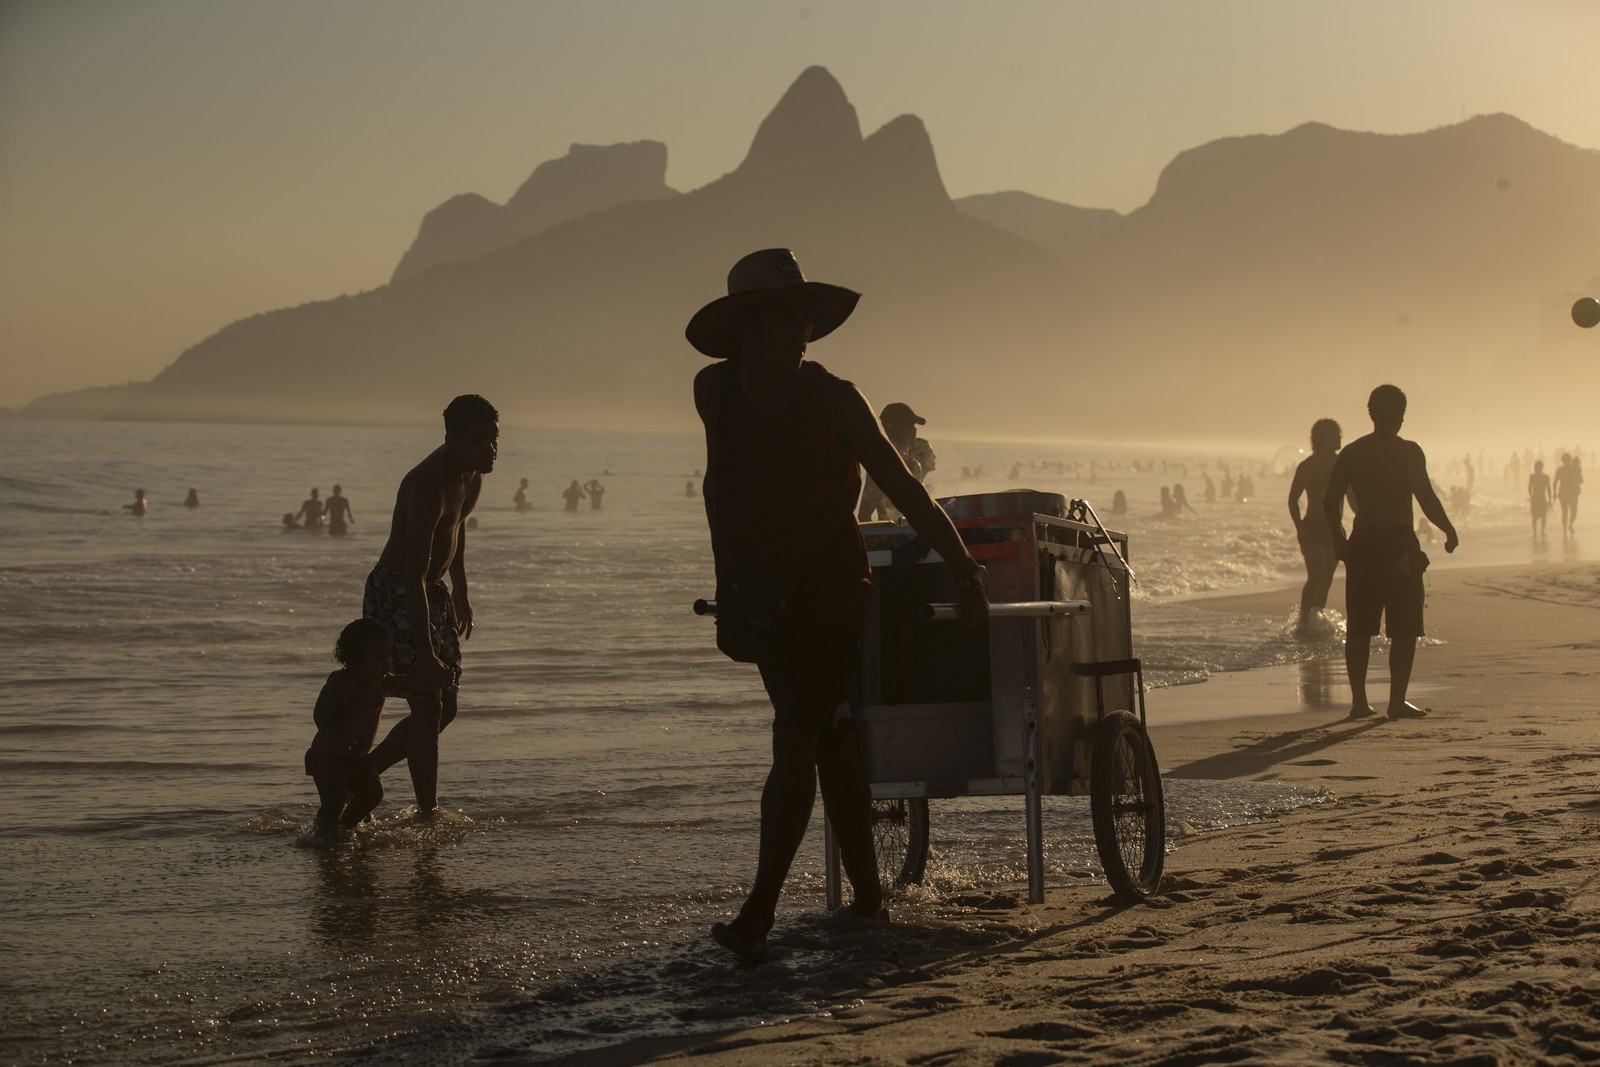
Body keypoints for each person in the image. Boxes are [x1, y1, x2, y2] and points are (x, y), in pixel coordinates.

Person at [687, 248, 990, 966]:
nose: (801, 330)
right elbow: (717, 486)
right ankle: (869, 895)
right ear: (747, 324)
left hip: (829, 594)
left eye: (805, 317)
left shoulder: (836, 398)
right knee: (827, 740)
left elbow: (904, 487)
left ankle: (757, 915)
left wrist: (965, 566)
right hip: (760, 598)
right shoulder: (714, 392)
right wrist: (727, 580)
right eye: (784, 316)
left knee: (795, 733)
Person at [363, 394, 498, 816]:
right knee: (428, 702)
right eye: (478, 441)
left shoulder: (473, 475)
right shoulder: (426, 484)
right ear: (450, 440)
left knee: (446, 706)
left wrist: (461, 590)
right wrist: (423, 653)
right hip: (399, 591)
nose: (489, 450)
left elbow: (455, 531)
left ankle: (365, 771)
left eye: (494, 439)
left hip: (432, 590)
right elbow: (412, 574)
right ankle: (428, 812)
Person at [1323, 385, 1458, 721]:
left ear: (1371, 413)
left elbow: (1330, 501)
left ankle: (1359, 703)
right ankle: (1396, 701)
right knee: (1404, 625)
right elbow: (1425, 496)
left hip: (1363, 543)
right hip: (1398, 544)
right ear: (1401, 415)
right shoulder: (1409, 451)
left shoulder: (1351, 453)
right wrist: (1448, 529)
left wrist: (1339, 540)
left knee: (1359, 626)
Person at [304, 618, 424, 834]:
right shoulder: (339, 685)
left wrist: (432, 679)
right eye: (378, 658)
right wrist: (336, 737)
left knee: (373, 794)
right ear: (354, 659)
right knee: (333, 804)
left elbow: (406, 682)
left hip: (358, 758)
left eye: (388, 655)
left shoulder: (381, 681)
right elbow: (320, 714)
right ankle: (321, 835)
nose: (386, 663)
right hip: (330, 756)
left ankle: (344, 828)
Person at [1288, 418, 1345, 629]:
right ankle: (1304, 621)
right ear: (1321, 438)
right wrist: (1300, 529)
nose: (1339, 437)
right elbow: (1293, 500)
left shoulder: (1343, 464)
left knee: (1327, 579)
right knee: (1315, 576)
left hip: (1335, 530)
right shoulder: (1307, 466)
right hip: (1312, 526)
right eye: (1334, 433)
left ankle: (1316, 620)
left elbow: (1354, 500)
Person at [857, 402, 934, 521]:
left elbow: (863, 514)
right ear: (904, 430)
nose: (914, 430)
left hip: (890, 535)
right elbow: (920, 509)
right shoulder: (912, 466)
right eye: (911, 426)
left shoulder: (877, 464)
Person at [1553, 453, 1583, 536]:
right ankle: (1566, 528)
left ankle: (1568, 526)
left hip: (1566, 492)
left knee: (1569, 512)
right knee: (1568, 512)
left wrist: (1554, 492)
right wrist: (1554, 492)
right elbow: (1555, 481)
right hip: (1568, 492)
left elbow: (1579, 481)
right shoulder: (1562, 470)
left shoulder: (1572, 469)